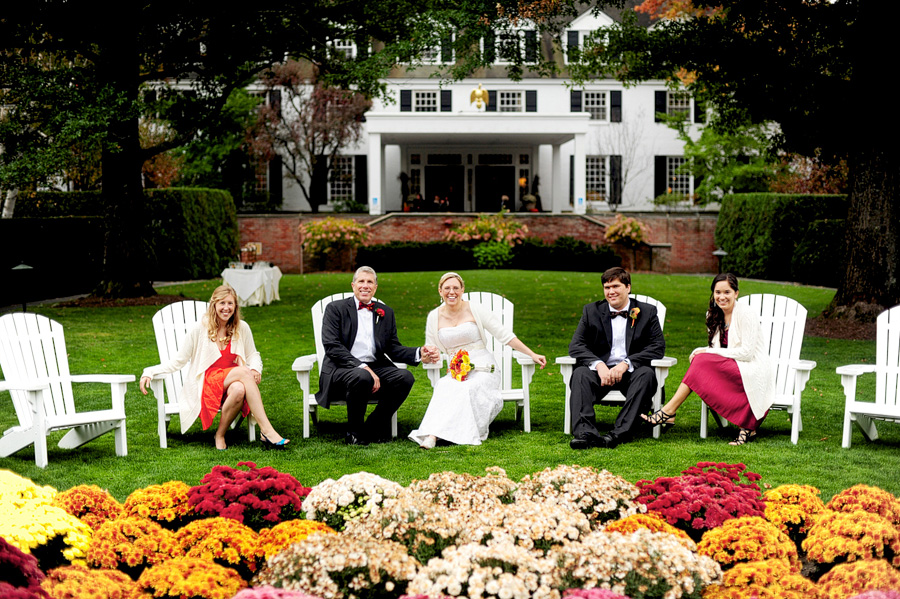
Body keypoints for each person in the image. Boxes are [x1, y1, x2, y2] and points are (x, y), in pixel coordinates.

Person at [139, 285, 288, 450]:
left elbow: (253, 354)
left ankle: (220, 434)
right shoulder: (199, 329)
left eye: (230, 303)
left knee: (239, 388)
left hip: (232, 380)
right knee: (244, 373)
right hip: (207, 382)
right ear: (214, 305)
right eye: (222, 303)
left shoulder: (242, 327)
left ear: (235, 306)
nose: (226, 308)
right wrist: (150, 371)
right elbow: (178, 361)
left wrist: (255, 369)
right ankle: (267, 430)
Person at [409, 272, 546, 448]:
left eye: (456, 288)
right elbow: (430, 348)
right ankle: (435, 435)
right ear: (440, 291)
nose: (452, 292)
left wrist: (531, 354)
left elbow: (504, 335)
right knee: (445, 386)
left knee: (468, 388)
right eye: (447, 288)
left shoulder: (475, 309)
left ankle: (435, 435)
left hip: (484, 369)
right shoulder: (434, 316)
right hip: (456, 371)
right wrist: (429, 355)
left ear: (462, 290)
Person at [642, 273, 774, 445]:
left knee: (701, 359)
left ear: (736, 293)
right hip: (731, 368)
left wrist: (708, 352)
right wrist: (708, 352)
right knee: (701, 360)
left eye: (727, 292)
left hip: (751, 369)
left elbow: (747, 353)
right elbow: (716, 349)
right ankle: (668, 412)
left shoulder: (746, 313)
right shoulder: (713, 315)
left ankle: (668, 412)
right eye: (717, 292)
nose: (722, 297)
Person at [319, 266, 439, 445]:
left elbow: (392, 348)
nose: (365, 286)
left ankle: (371, 427)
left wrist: (420, 353)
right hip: (341, 368)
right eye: (361, 281)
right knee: (362, 375)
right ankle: (354, 432)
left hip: (375, 367)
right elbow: (332, 346)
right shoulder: (335, 309)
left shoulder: (385, 312)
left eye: (370, 282)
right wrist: (363, 367)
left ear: (375, 288)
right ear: (353, 285)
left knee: (405, 377)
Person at [568, 267, 665, 449]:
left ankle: (618, 434)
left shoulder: (647, 311)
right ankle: (584, 433)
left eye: (616, 286)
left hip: (631, 373)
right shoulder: (591, 311)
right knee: (580, 374)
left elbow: (657, 347)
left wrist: (626, 364)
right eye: (606, 287)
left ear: (628, 287)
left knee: (646, 374)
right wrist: (598, 365)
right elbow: (576, 346)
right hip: (600, 373)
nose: (611, 291)